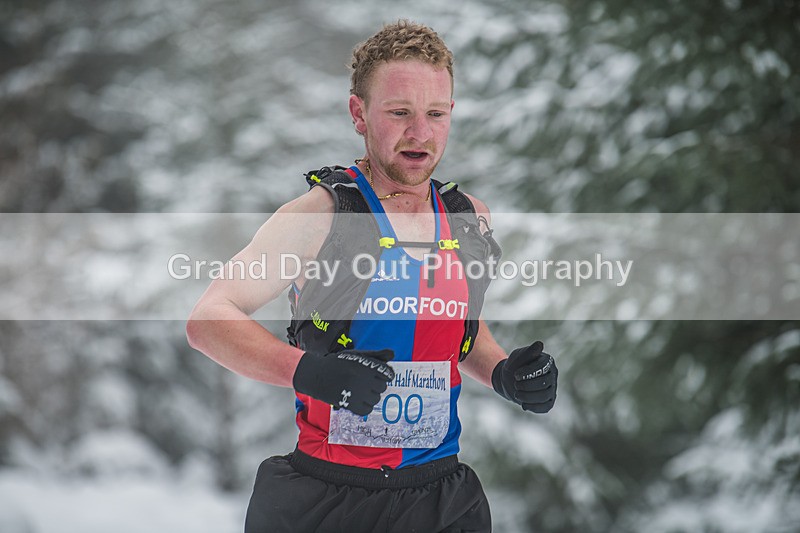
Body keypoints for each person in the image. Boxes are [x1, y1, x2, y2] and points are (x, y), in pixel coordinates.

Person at [186, 19, 557, 533]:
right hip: (327, 500)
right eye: (399, 112)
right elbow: (208, 319)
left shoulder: (468, 216)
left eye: (436, 113)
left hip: (440, 500)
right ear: (358, 113)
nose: (420, 132)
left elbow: (457, 331)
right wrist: (307, 371)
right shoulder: (322, 215)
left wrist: (503, 373)